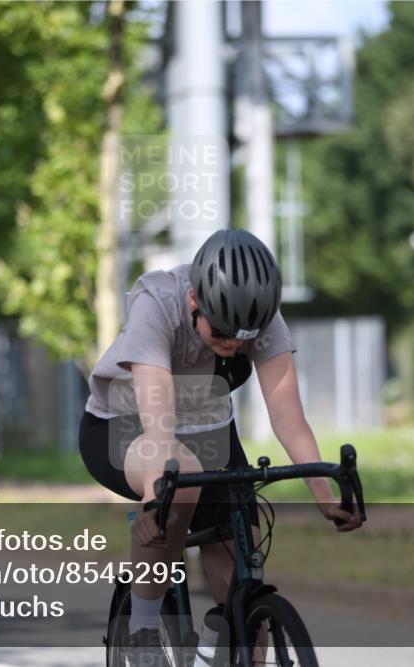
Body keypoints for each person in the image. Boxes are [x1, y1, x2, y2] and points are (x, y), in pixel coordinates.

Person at [79, 229, 362, 664]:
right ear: (194, 301)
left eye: (245, 338)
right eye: (224, 332)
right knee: (182, 479)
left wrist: (325, 497)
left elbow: (288, 417)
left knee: (242, 560)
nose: (235, 344)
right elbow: (158, 425)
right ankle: (142, 630)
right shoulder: (157, 304)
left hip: (207, 429)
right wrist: (161, 497)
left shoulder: (260, 318)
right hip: (126, 424)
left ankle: (228, 641)